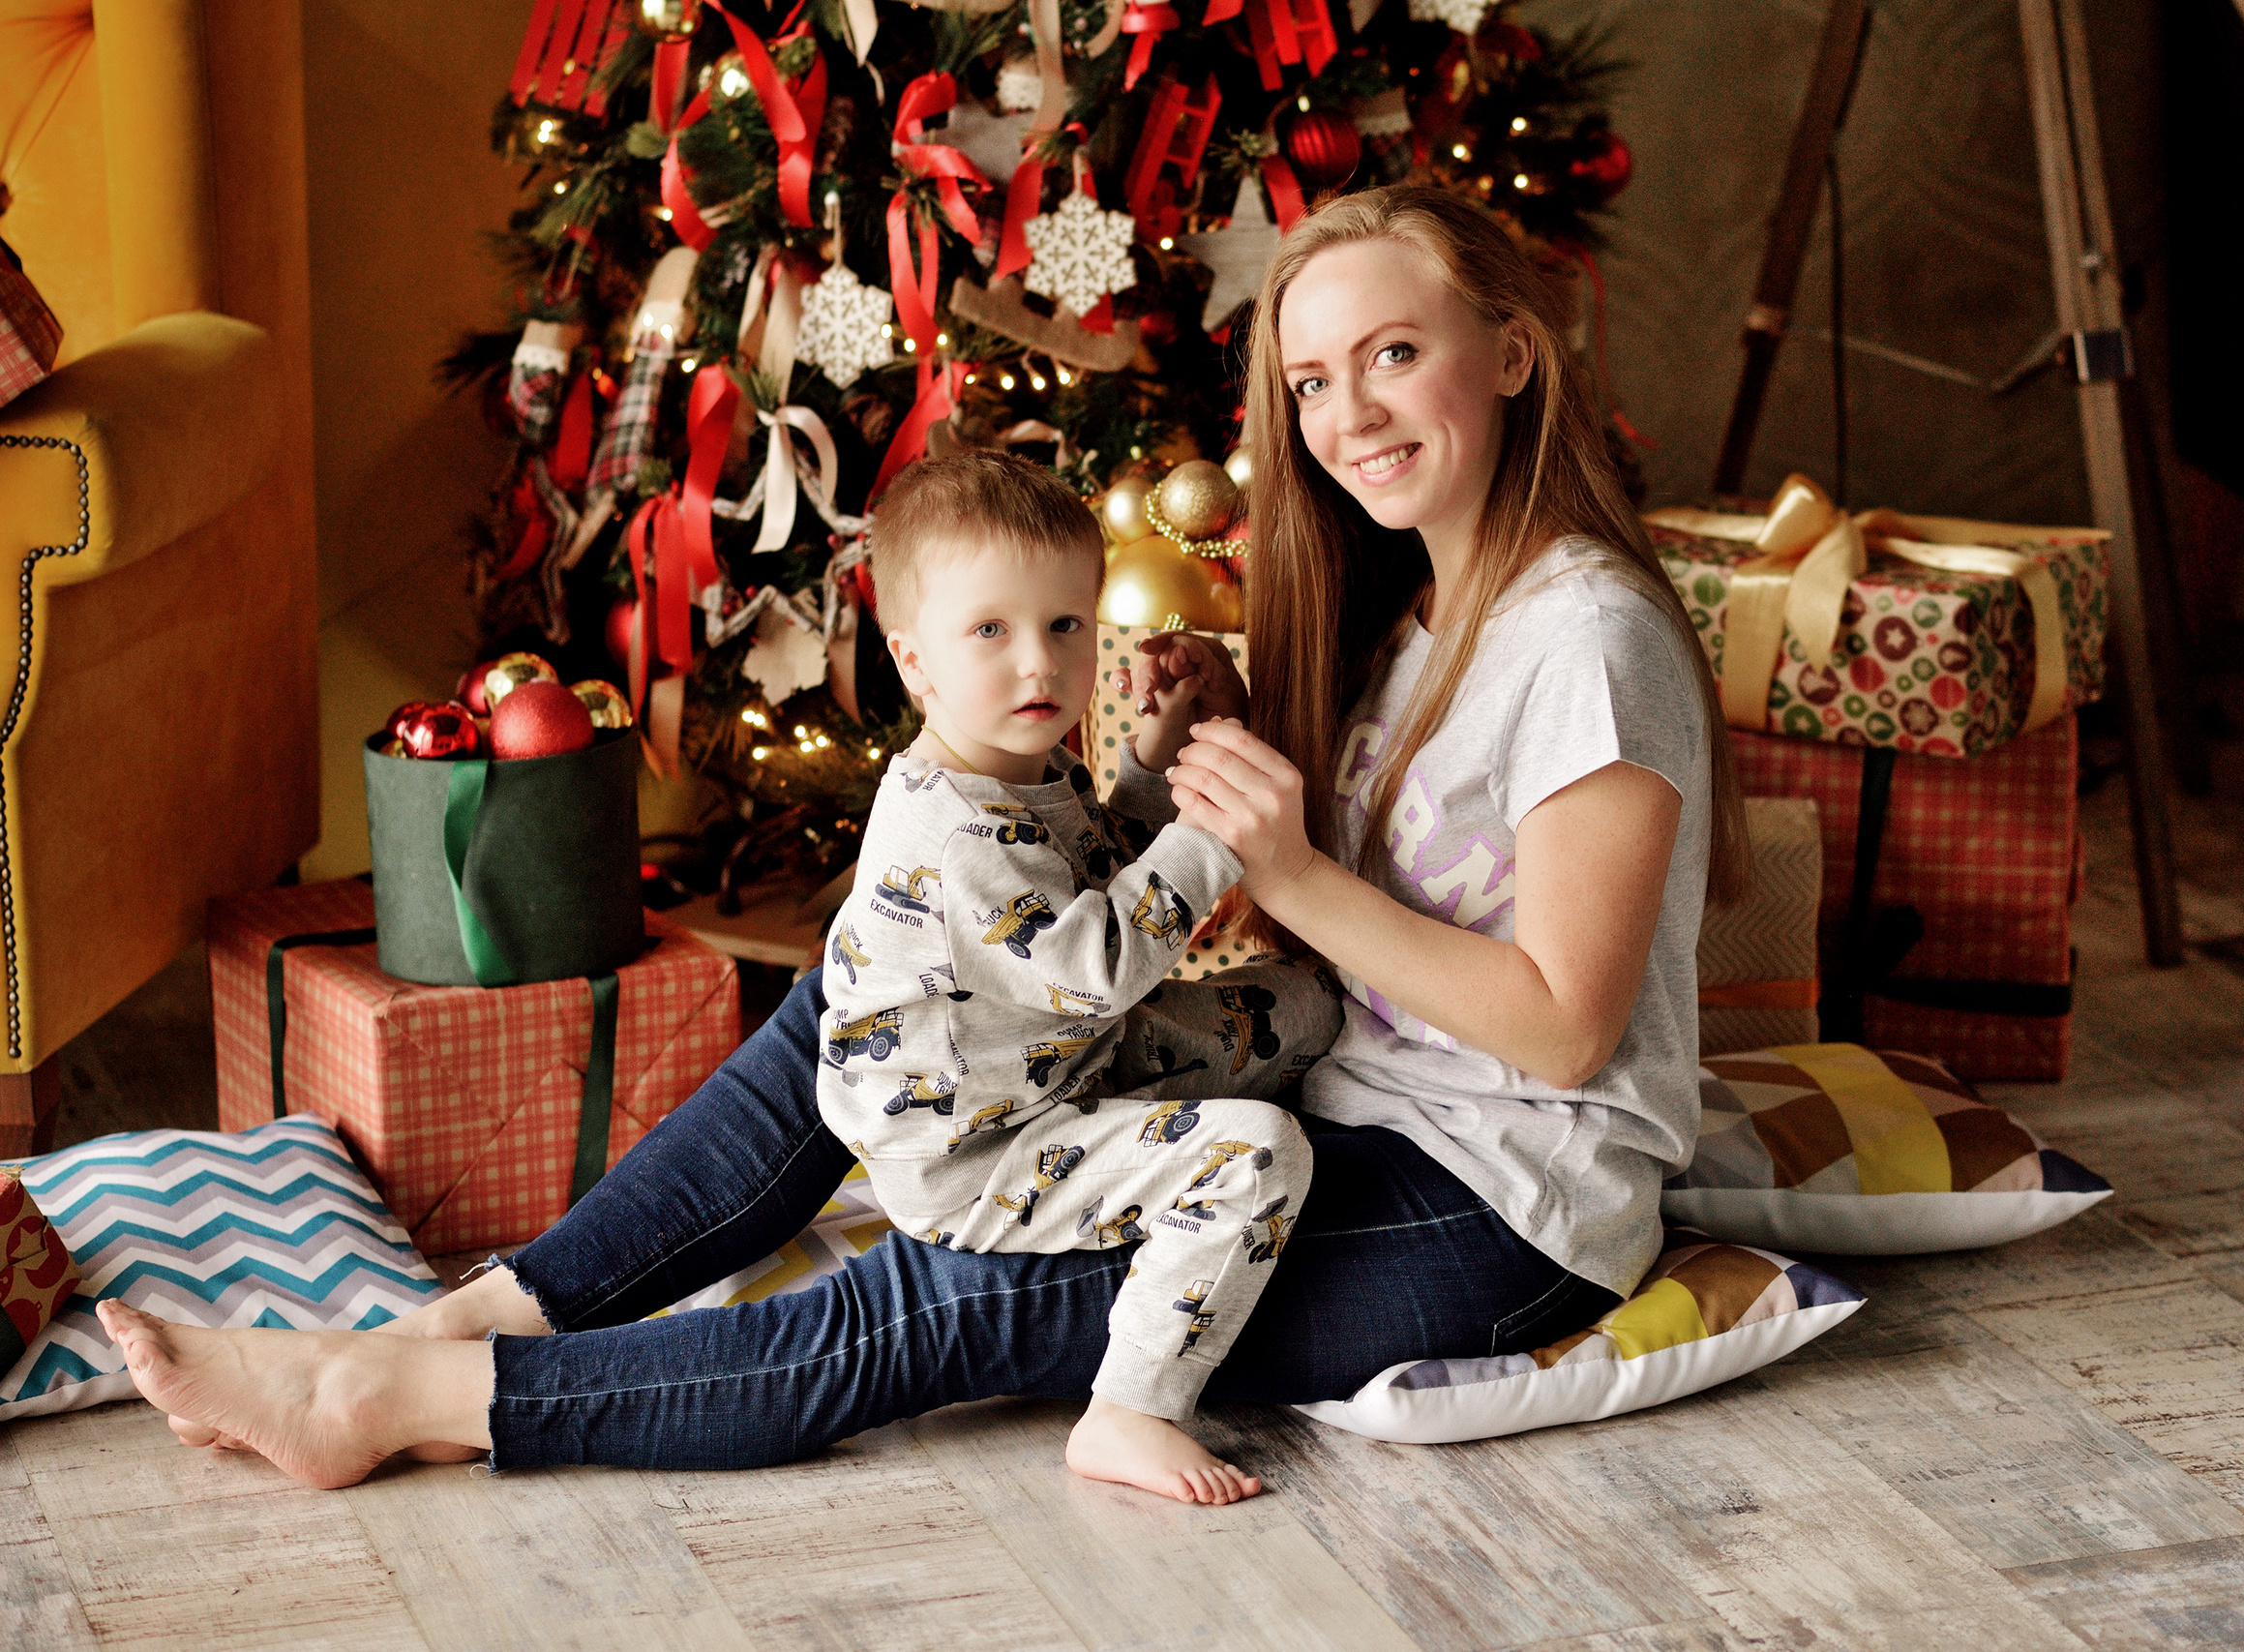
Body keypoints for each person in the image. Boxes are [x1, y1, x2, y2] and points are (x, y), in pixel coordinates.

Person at [95, 182, 1746, 1501]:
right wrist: (1218, 733)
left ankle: (388, 1393)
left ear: (1513, 354)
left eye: (1396, 356)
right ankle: (498, 1305)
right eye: (1314, 380)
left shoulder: (1585, 638)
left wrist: (1288, 869)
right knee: (874, 999)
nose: (1348, 414)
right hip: (1348, 1093)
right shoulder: (1426, 607)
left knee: (944, 1291)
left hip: (1494, 1209)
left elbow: (1563, 1019)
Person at [812, 451, 1336, 1502]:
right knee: (1257, 1156)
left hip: (1060, 1058)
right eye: (990, 632)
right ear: (913, 661)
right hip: (984, 1148)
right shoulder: (949, 829)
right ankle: (1133, 1410)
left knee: (1308, 1002)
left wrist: (1150, 766)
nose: (1038, 668)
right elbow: (1098, 964)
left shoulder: (1017, 764)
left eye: (1065, 626)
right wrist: (1213, 830)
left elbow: (1096, 873)